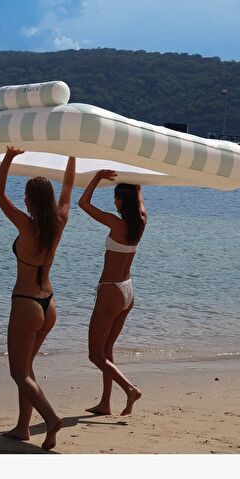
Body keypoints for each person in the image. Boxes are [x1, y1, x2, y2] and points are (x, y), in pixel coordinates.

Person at [0, 147, 75, 450]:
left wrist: (9, 157)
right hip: (49, 304)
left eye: (26, 196)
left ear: (30, 200)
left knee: (18, 372)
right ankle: (22, 427)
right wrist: (73, 154)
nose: (23, 200)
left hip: (26, 303)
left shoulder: (26, 226)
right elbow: (68, 186)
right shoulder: (59, 221)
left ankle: (51, 419)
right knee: (26, 369)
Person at [78, 171, 147, 416]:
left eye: (116, 198)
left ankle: (130, 389)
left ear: (122, 202)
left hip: (110, 291)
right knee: (107, 350)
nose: (114, 202)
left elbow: (83, 203)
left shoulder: (116, 224)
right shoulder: (142, 220)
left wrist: (97, 177)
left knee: (95, 355)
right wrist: (130, 175)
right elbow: (139, 195)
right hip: (127, 291)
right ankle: (105, 403)